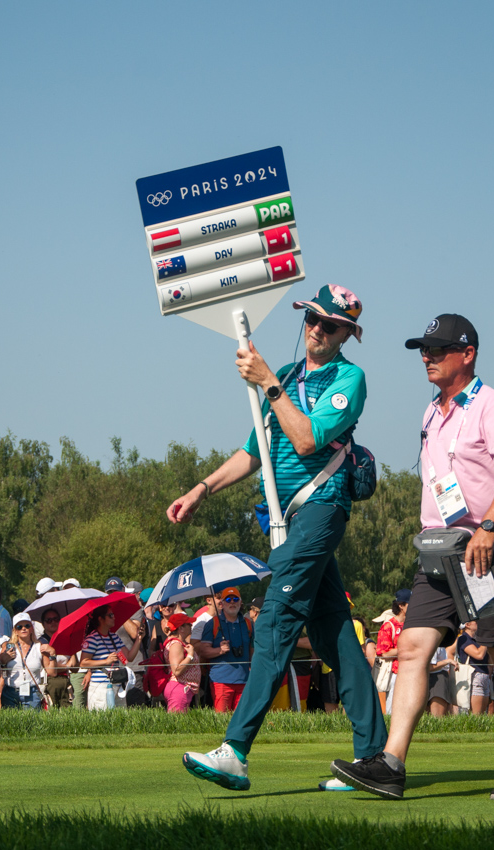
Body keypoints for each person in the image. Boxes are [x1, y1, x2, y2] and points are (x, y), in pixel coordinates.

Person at [171, 284, 385, 793]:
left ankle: (236, 751)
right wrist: (202, 489)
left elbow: (308, 437)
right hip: (290, 516)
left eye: (329, 325)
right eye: (311, 318)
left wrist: (268, 382)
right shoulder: (285, 378)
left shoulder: (348, 379)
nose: (316, 328)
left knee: (274, 623)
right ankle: (374, 758)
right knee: (338, 638)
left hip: (322, 506)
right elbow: (253, 453)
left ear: (345, 336)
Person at [332, 313, 494, 803]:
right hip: (438, 552)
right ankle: (392, 764)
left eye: (437, 349)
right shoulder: (432, 411)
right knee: (411, 649)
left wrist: (488, 527)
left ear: (466, 354)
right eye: (423, 349)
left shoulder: (491, 405)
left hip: (484, 552)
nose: (426, 356)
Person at [199, 587, 252, 712]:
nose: (232, 602)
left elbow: (252, 651)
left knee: (241, 718)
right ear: (222, 603)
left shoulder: (248, 624)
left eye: (235, 599)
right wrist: (220, 650)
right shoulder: (212, 623)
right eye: (228, 599)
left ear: (240, 602)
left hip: (244, 680)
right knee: (221, 719)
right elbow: (203, 651)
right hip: (221, 681)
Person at [79, 604, 140, 711]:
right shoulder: (92, 639)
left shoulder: (114, 637)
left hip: (117, 685)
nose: (114, 617)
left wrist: (139, 639)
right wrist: (106, 661)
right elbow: (83, 663)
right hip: (100, 687)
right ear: (100, 619)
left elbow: (128, 657)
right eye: (110, 615)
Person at [0, 612, 54, 710]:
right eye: (19, 627)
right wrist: (2, 661)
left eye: (27, 625)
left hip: (32, 693)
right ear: (15, 631)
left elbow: (52, 672)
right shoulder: (8, 647)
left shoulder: (39, 647)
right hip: (10, 692)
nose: (23, 628)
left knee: (33, 724)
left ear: (32, 628)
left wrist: (53, 654)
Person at [374, 590, 408, 713]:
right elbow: (384, 653)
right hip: (395, 673)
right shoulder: (389, 626)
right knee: (392, 709)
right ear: (401, 606)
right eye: (410, 604)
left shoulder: (412, 625)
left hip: (411, 672)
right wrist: (406, 650)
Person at [164, 612, 201, 713]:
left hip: (184, 688)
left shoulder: (182, 643)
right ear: (181, 628)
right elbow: (176, 670)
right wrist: (190, 655)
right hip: (179, 689)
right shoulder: (176, 645)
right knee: (177, 723)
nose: (191, 626)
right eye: (188, 624)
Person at [456, 620, 493, 715]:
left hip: (484, 675)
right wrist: (486, 639)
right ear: (467, 625)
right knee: (476, 714)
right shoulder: (463, 639)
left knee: (483, 713)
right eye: (476, 622)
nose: (479, 623)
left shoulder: (478, 639)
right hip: (474, 676)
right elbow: (478, 655)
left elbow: (489, 660)